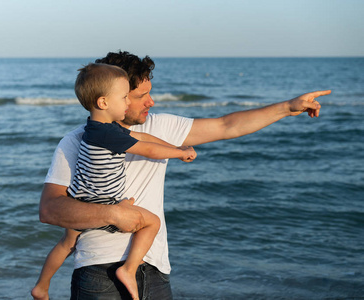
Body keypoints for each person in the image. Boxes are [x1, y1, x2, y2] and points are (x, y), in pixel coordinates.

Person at [38, 51, 331, 299]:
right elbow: (51, 209)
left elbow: (227, 126)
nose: (150, 102)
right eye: (139, 96)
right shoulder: (76, 141)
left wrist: (286, 107)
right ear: (114, 97)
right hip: (98, 272)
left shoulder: (162, 126)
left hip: (155, 271)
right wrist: (114, 215)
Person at [31, 63, 196, 300]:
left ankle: (41, 286)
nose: (128, 103)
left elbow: (143, 136)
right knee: (152, 222)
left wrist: (177, 147)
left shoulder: (94, 129)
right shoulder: (109, 135)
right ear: (104, 103)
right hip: (102, 201)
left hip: (83, 196)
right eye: (124, 98)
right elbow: (147, 147)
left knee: (67, 243)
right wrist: (179, 154)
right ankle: (128, 270)